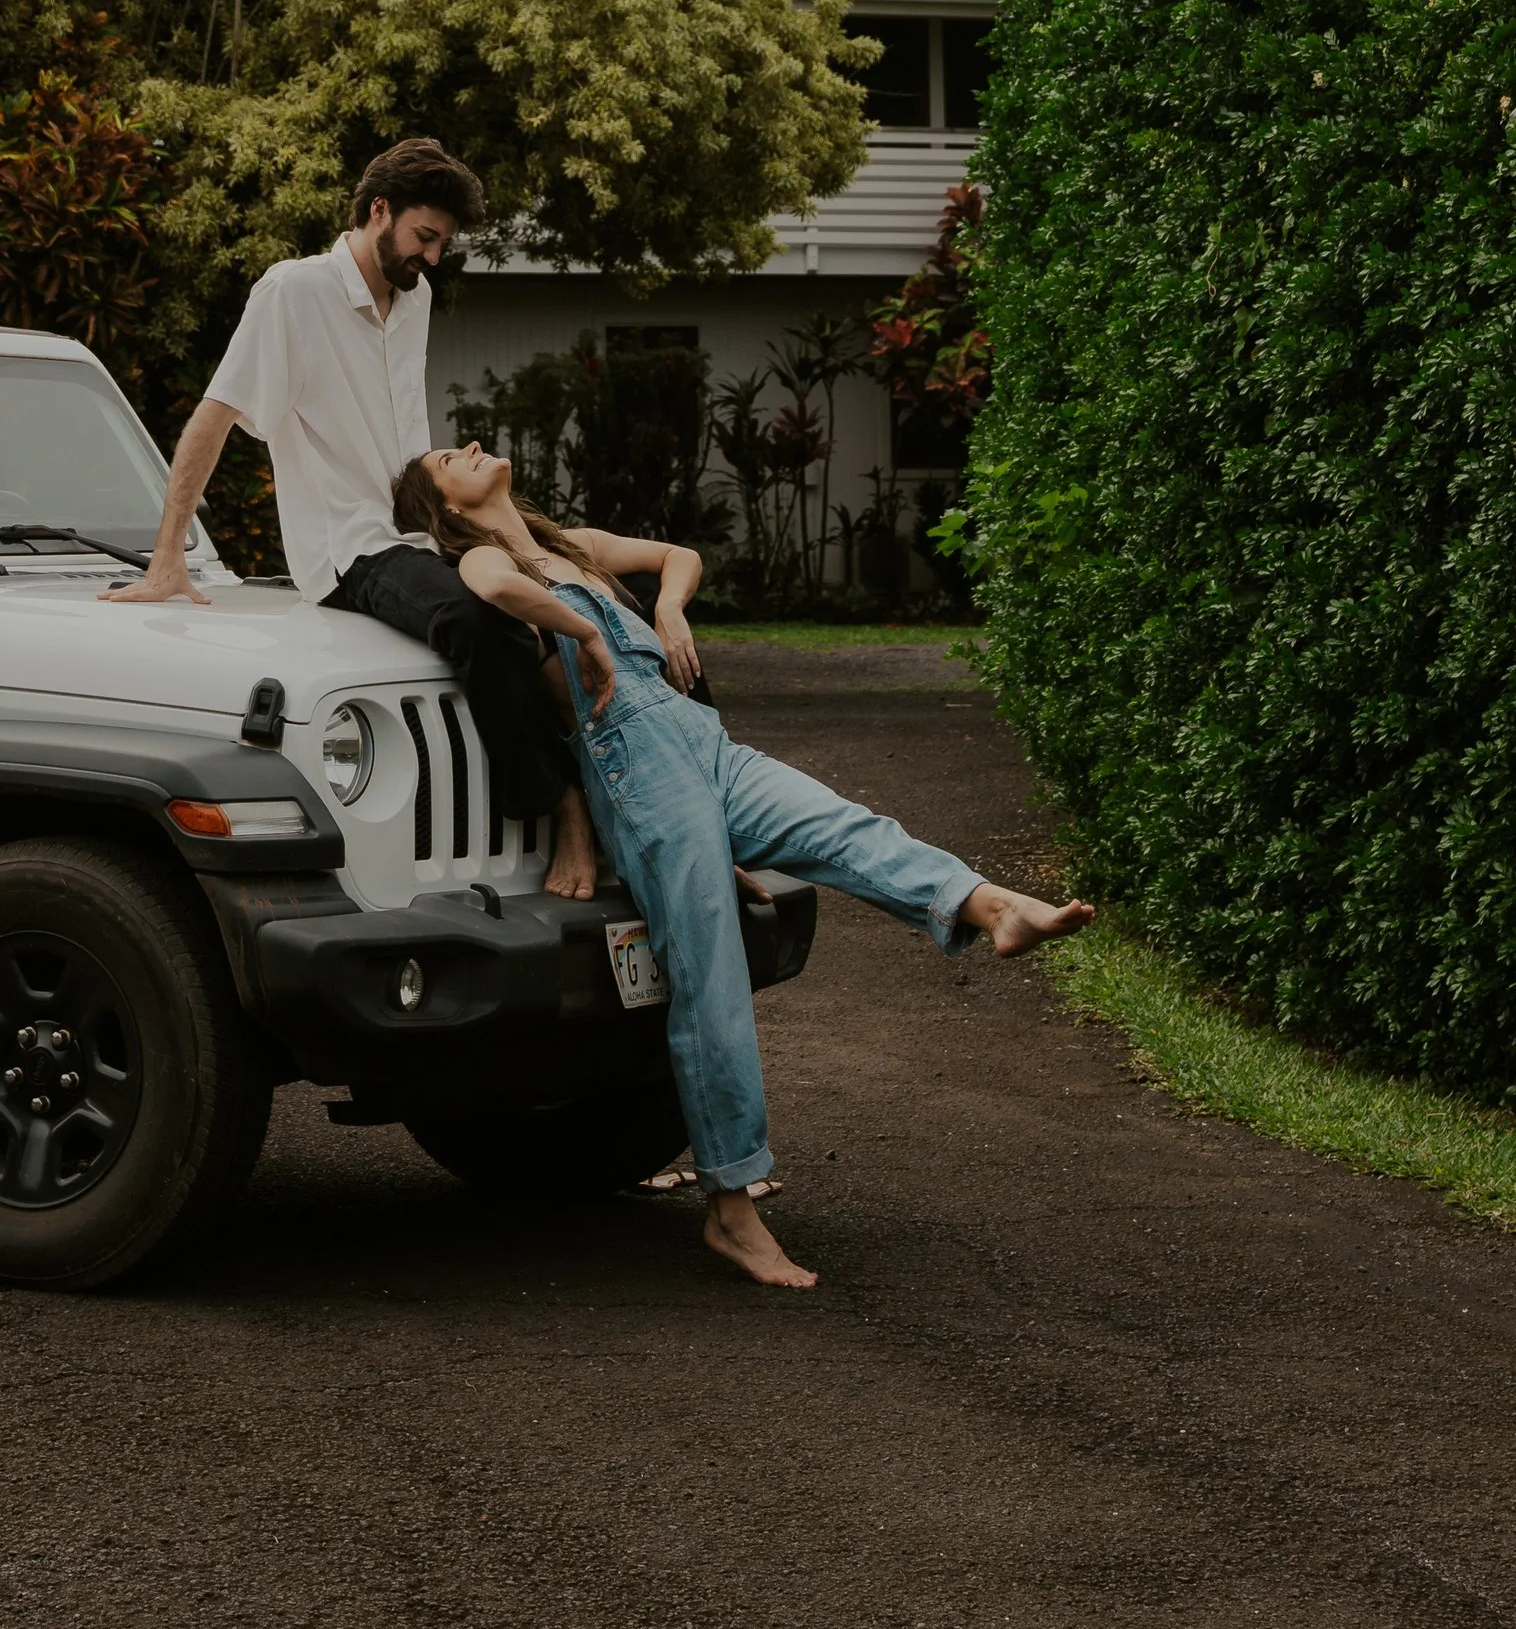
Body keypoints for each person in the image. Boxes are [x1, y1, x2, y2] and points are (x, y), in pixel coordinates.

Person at [392, 440, 1094, 1290]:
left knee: (845, 826)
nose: (469, 446)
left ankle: (988, 907)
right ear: (448, 507)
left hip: (700, 740)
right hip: (634, 766)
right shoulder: (481, 557)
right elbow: (492, 593)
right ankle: (732, 1206)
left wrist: (673, 611)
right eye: (446, 457)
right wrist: (582, 630)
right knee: (710, 967)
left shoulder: (568, 541)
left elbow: (679, 556)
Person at [104, 138, 601, 897]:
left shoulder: (417, 301)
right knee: (480, 621)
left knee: (584, 600)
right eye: (423, 238)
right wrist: (168, 556)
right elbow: (214, 416)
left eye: (441, 243)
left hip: (425, 533)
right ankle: (563, 808)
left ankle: (662, 809)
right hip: (353, 550)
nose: (431, 257)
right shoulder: (292, 292)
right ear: (379, 212)